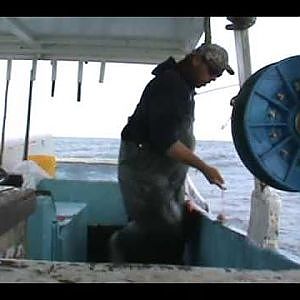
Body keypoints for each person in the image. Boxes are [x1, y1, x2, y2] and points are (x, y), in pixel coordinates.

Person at [110, 43, 234, 264]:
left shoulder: (182, 88)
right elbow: (166, 142)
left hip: (164, 176)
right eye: (212, 70)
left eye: (219, 74)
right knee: (164, 234)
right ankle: (121, 244)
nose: (215, 77)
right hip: (146, 173)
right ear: (196, 59)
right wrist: (204, 167)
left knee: (170, 229)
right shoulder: (171, 85)